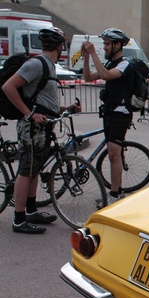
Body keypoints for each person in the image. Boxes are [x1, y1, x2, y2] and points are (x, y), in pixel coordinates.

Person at [2, 28, 81, 234]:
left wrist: (65, 108)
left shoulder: (49, 66)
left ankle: (30, 210)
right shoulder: (36, 64)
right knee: (26, 170)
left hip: (44, 125)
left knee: (34, 169)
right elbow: (8, 87)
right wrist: (29, 114)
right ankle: (19, 220)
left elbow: (43, 100)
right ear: (59, 46)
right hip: (32, 127)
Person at [81, 28, 134, 203]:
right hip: (109, 112)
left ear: (118, 45)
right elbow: (88, 78)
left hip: (121, 113)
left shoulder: (125, 64)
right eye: (103, 43)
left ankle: (114, 195)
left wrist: (93, 53)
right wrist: (87, 58)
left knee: (113, 153)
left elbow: (105, 75)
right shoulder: (111, 64)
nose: (104, 47)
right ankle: (116, 192)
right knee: (112, 154)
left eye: (107, 44)